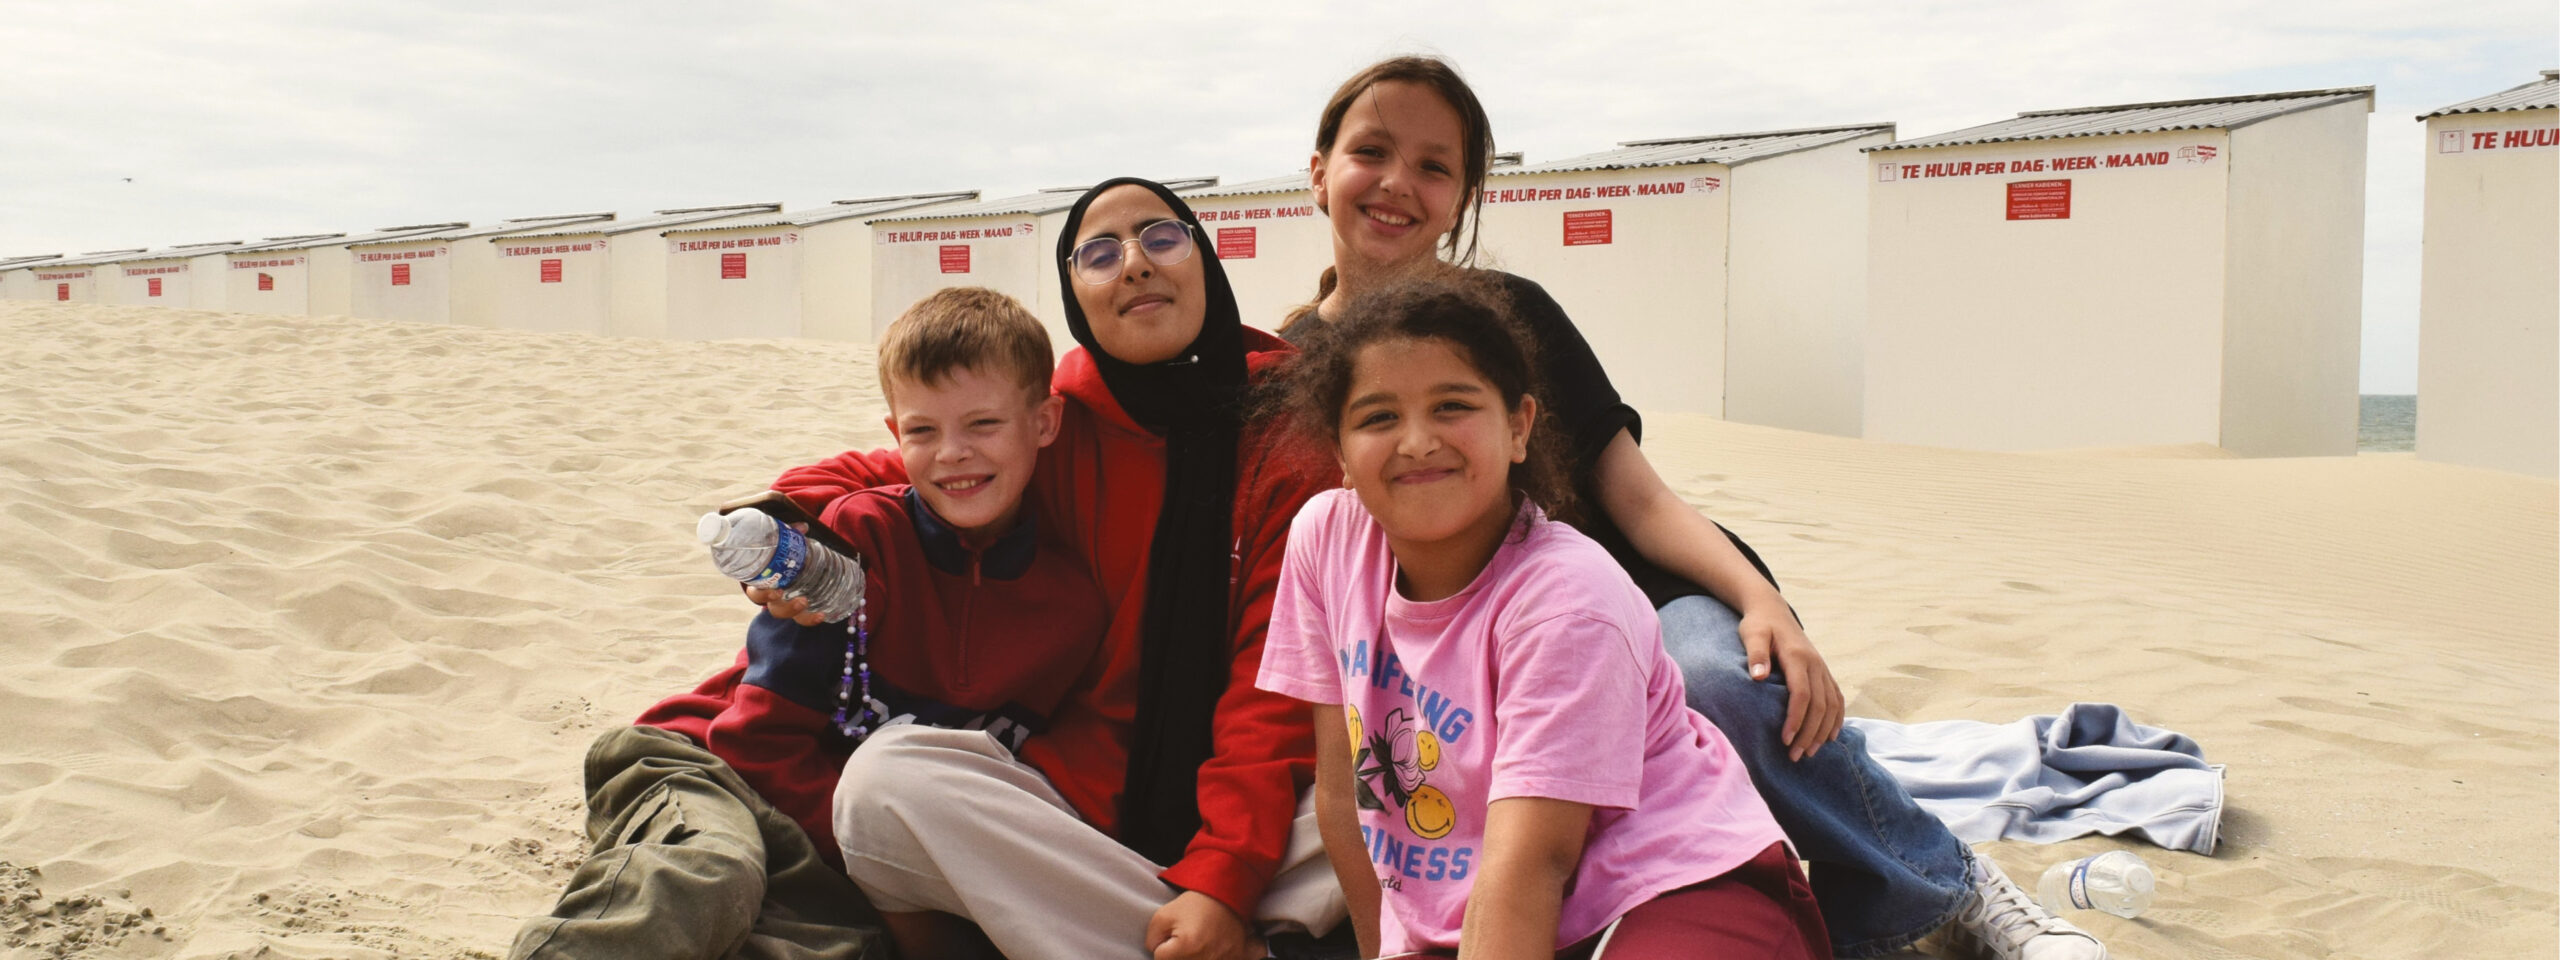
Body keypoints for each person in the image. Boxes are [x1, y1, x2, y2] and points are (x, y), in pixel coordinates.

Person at [1277, 55, 2106, 960]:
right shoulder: (1289, 362)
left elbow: (1638, 498)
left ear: (1463, 196)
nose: (1398, 183)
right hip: (1455, 643)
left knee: (1721, 682)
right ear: (1319, 171)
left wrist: (1761, 600)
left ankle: (1940, 879)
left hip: (1621, 596)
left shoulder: (1510, 314)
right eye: (1373, 152)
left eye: (1435, 165)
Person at [756, 178, 1344, 960]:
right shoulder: (1063, 415)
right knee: (882, 787)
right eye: (1099, 253)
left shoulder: (1290, 432)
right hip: (1080, 796)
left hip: (1258, 795)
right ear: (1077, 296)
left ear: (1203, 258)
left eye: (1162, 237)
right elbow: (910, 469)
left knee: (1405, 782)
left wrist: (1224, 877)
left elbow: (1277, 680)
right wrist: (780, 524)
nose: (1135, 263)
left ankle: (1161, 928)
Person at [507, 287, 1106, 960]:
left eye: (984, 424)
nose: (952, 453)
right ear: (895, 434)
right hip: (709, 768)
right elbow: (755, 741)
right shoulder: (858, 541)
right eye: (923, 432)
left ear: (1044, 422)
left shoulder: (1073, 609)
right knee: (706, 875)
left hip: (834, 838)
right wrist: (877, 862)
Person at [1258, 271, 1832, 959]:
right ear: (1340, 455)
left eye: (1452, 406)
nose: (1417, 441)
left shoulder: (1566, 596)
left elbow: (1533, 864)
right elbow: (1343, 793)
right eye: (1378, 417)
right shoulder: (1326, 539)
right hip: (1492, 908)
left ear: (1518, 427)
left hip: (1675, 885)